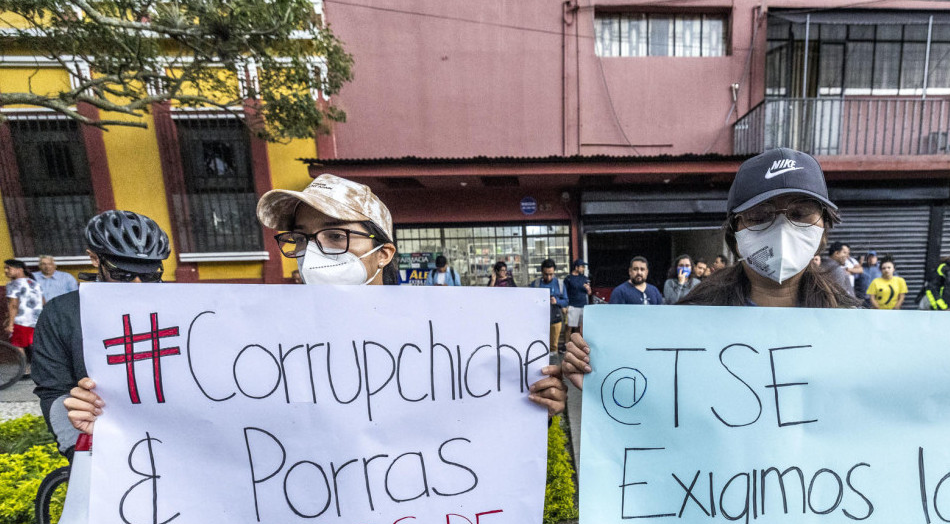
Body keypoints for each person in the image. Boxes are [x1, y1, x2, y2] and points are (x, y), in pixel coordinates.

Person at [562, 146, 950, 420]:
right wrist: (590, 369)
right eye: (761, 217)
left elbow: (919, 407)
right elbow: (645, 405)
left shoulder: (861, 327)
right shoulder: (684, 326)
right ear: (734, 232)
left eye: (800, 215)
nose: (782, 231)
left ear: (824, 227)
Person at [64, 176, 567, 438]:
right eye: (301, 239)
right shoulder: (250, 340)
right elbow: (201, 425)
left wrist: (538, 404)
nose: (313, 253)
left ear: (383, 253)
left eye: (334, 236)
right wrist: (111, 416)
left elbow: (486, 428)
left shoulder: (451, 339)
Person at [33, 211, 171, 456]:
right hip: (102, 442)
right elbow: (53, 391)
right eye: (123, 275)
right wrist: (75, 444)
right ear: (94, 258)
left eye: (150, 276)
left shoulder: (186, 304)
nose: (138, 285)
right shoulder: (60, 314)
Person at [5, 259, 44, 362]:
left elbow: (13, 305)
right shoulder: (34, 283)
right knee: (34, 344)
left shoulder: (13, 284)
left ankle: (24, 368)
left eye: (8, 268)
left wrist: (10, 324)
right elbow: (43, 301)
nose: (6, 271)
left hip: (21, 321)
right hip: (36, 319)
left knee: (17, 345)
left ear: (19, 269)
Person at [531, 259, 568, 352]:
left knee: (553, 346)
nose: (548, 277)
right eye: (546, 274)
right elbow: (529, 300)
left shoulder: (559, 284)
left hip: (555, 318)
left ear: (554, 271)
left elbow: (566, 301)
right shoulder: (535, 284)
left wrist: (557, 301)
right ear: (542, 272)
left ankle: (552, 364)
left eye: (551, 274)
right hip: (538, 319)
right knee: (538, 345)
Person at [564, 258, 591, 338]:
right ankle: (567, 345)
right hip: (572, 305)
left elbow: (589, 293)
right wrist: (565, 306)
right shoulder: (568, 278)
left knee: (579, 328)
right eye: (582, 267)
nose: (583, 269)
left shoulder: (584, 278)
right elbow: (564, 292)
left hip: (583, 306)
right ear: (576, 267)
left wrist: (588, 289)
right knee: (569, 327)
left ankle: (576, 346)